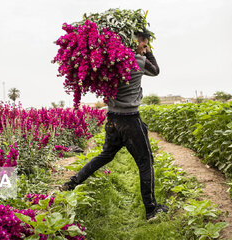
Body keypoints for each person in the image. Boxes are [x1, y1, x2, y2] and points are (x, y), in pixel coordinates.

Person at [59, 29, 168, 221]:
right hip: (130, 120)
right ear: (135, 42)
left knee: (106, 155)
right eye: (143, 41)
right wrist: (147, 51)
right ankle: (151, 210)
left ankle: (72, 182)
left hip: (112, 119)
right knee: (145, 162)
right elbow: (156, 70)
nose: (145, 44)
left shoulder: (108, 63)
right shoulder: (138, 61)